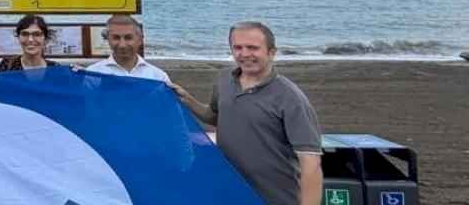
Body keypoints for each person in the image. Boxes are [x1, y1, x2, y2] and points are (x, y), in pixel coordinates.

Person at [171, 21, 323, 205]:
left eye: (253, 48)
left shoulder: (290, 98)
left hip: (274, 197)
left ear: (272, 52)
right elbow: (216, 117)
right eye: (238, 47)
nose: (244, 54)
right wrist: (187, 100)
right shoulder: (224, 80)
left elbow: (311, 165)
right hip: (230, 191)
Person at [86, 15, 170, 82]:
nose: (122, 45)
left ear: (140, 40)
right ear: (108, 39)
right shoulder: (92, 74)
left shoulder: (158, 77)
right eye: (116, 38)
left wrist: (183, 98)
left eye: (128, 38)